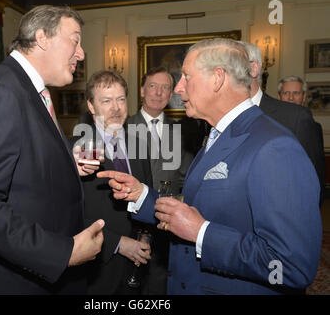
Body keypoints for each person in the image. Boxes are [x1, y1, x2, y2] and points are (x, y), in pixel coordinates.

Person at [98, 38, 322, 294]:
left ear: (217, 78)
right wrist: (142, 196)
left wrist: (202, 233)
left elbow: (292, 265)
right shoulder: (217, 136)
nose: (178, 88)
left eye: (186, 77)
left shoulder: (274, 147)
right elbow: (199, 209)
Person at [0, 5, 104, 295]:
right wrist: (62, 253)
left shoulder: (30, 91)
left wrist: (66, 159)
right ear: (43, 38)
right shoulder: (1, 91)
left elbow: (22, 160)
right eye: (75, 40)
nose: (82, 53)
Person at [72, 70, 152, 294]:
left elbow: (146, 197)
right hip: (96, 270)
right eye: (106, 101)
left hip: (139, 267)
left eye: (121, 99)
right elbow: (70, 214)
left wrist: (145, 238)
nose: (116, 108)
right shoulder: (78, 151)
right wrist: (118, 243)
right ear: (91, 106)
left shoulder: (139, 144)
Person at [127, 67, 195, 294]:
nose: (158, 93)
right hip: (129, 223)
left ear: (171, 93)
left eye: (165, 87)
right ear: (142, 90)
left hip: (168, 225)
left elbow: (187, 179)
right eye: (153, 86)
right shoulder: (122, 128)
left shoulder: (182, 131)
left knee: (161, 284)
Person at [241, 41, 325, 203]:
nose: (291, 98)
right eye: (287, 93)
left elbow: (313, 174)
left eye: (296, 93)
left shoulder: (300, 119)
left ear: (304, 97)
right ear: (280, 95)